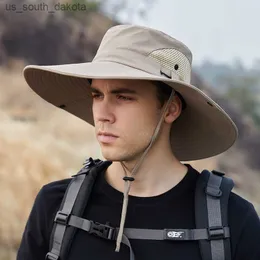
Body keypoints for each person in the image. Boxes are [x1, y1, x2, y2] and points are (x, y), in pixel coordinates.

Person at [17, 24, 260, 260]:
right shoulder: (55, 206)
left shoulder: (232, 221)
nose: (102, 114)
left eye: (123, 97)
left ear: (170, 109)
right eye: (97, 95)